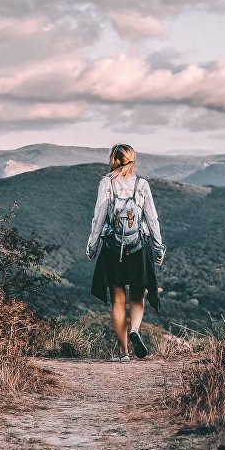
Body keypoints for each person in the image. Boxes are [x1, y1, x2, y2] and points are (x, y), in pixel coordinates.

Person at [86, 144, 166, 362]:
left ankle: (123, 353)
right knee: (138, 295)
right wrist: (159, 247)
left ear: (112, 160)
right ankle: (135, 330)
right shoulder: (142, 185)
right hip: (138, 247)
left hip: (113, 249)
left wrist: (92, 247)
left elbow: (99, 218)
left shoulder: (106, 184)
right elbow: (152, 218)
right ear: (133, 160)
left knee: (118, 301)